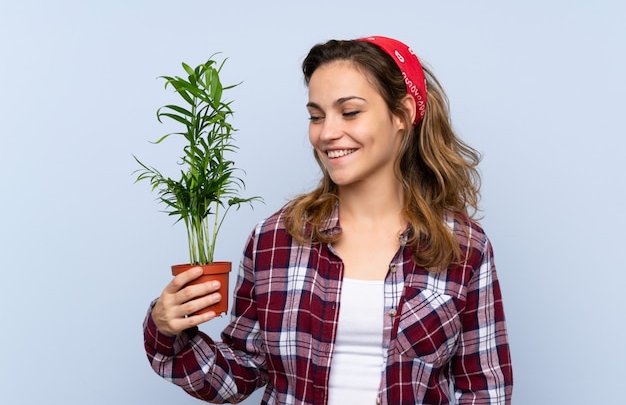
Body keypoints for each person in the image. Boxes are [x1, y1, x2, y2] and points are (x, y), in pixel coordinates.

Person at [144, 36, 513, 404]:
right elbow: (238, 374)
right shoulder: (275, 239)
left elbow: (486, 390)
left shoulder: (463, 247)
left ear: (401, 115)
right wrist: (166, 328)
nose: (327, 133)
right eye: (316, 116)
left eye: (349, 112)